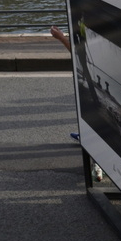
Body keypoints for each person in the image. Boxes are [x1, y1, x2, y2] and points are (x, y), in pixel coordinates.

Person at [51, 25, 104, 182]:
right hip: (94, 84)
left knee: (96, 124)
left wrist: (61, 38)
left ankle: (98, 165)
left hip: (91, 88)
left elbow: (77, 56)